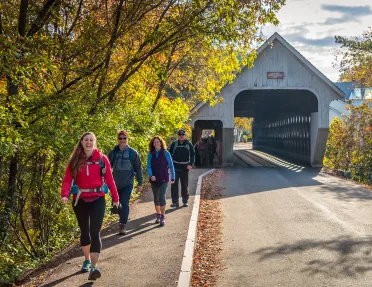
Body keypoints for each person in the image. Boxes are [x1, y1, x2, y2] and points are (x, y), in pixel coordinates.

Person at [61, 132, 119, 281]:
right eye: (86, 140)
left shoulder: (102, 159)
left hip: (98, 198)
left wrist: (115, 198)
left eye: (91, 140)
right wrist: (65, 195)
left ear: (94, 142)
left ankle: (94, 267)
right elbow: (67, 179)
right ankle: (86, 259)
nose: (88, 142)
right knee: (84, 231)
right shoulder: (75, 160)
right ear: (81, 142)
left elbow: (110, 180)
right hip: (79, 200)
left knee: (95, 232)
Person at [108, 130, 143, 235]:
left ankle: (122, 225)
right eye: (120, 138)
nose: (122, 140)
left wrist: (140, 182)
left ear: (127, 139)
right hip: (115, 184)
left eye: (124, 138)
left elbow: (138, 168)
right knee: (117, 205)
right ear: (118, 139)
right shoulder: (113, 152)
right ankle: (122, 217)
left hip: (128, 183)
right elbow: (106, 167)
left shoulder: (133, 153)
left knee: (124, 203)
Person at [147, 136, 175, 226]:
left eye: (158, 142)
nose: (156, 144)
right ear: (153, 144)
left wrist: (173, 177)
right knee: (156, 198)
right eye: (154, 142)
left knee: (162, 197)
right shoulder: (150, 154)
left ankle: (163, 216)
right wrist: (151, 175)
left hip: (164, 178)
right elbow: (148, 166)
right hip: (154, 179)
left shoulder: (166, 153)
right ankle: (158, 214)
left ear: (161, 143)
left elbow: (171, 166)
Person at [169, 129, 195, 208]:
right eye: (180, 135)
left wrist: (190, 164)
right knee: (174, 185)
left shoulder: (188, 144)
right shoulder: (174, 144)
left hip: (184, 168)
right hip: (175, 167)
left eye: (182, 135)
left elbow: (193, 154)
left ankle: (185, 201)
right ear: (178, 136)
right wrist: (169, 166)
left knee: (184, 185)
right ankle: (175, 202)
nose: (181, 136)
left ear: (185, 135)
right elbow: (169, 155)